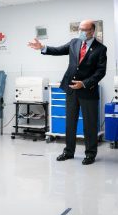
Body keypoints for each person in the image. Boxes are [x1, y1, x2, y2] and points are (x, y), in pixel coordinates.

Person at [28, 20, 107, 165]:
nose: (82, 32)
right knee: (70, 122)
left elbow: (100, 72)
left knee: (89, 125)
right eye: (80, 29)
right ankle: (68, 151)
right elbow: (58, 50)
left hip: (87, 91)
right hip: (71, 89)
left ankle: (90, 154)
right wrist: (43, 47)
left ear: (92, 31)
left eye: (85, 30)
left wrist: (84, 83)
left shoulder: (100, 49)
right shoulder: (74, 42)